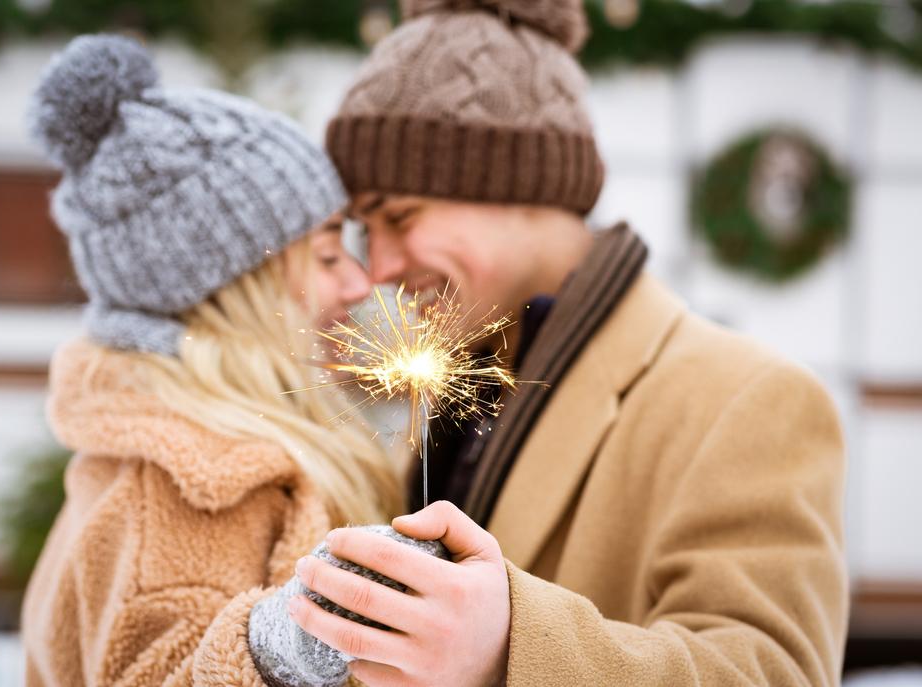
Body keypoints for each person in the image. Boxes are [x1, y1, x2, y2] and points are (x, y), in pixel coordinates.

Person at [287, 1, 849, 686]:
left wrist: (510, 648)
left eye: (400, 217)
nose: (378, 269)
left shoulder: (752, 397)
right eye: (363, 232)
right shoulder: (464, 382)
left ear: (517, 179)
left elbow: (774, 672)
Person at [20, 34, 401, 686]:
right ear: (234, 287)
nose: (359, 284)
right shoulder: (189, 482)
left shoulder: (197, 453)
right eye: (328, 254)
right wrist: (286, 647)